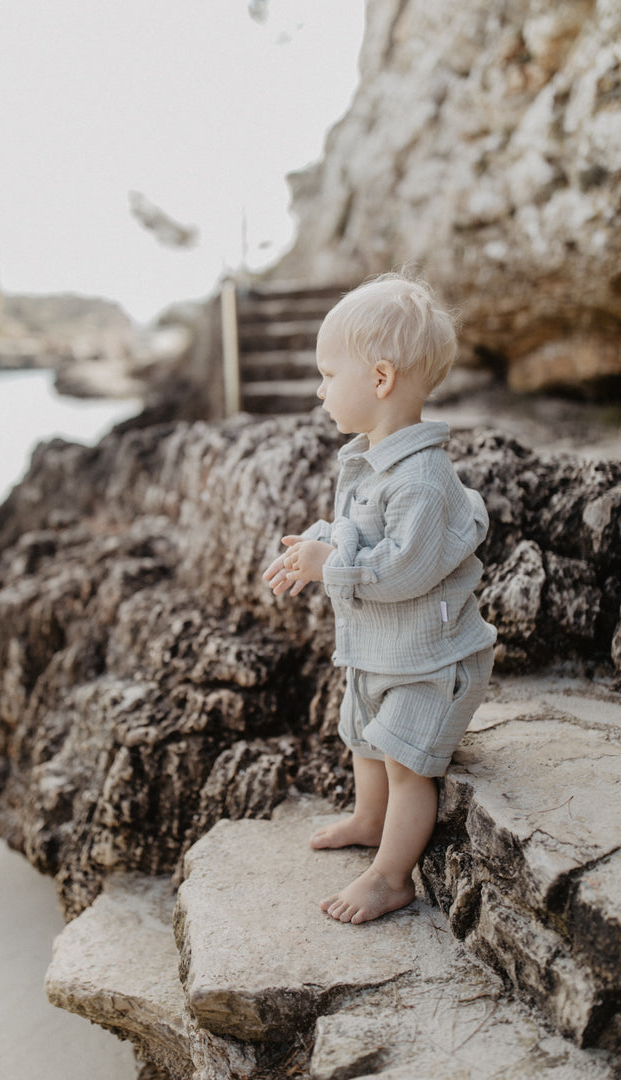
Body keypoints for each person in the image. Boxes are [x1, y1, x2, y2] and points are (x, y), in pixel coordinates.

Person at [262, 272, 496, 925]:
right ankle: (370, 820)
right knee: (363, 737)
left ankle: (392, 877)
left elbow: (402, 570)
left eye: (329, 373)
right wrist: (314, 546)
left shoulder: (421, 477)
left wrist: (329, 565)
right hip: (380, 650)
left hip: (431, 662)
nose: (319, 388)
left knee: (404, 767)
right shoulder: (366, 459)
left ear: (382, 379)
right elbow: (351, 535)